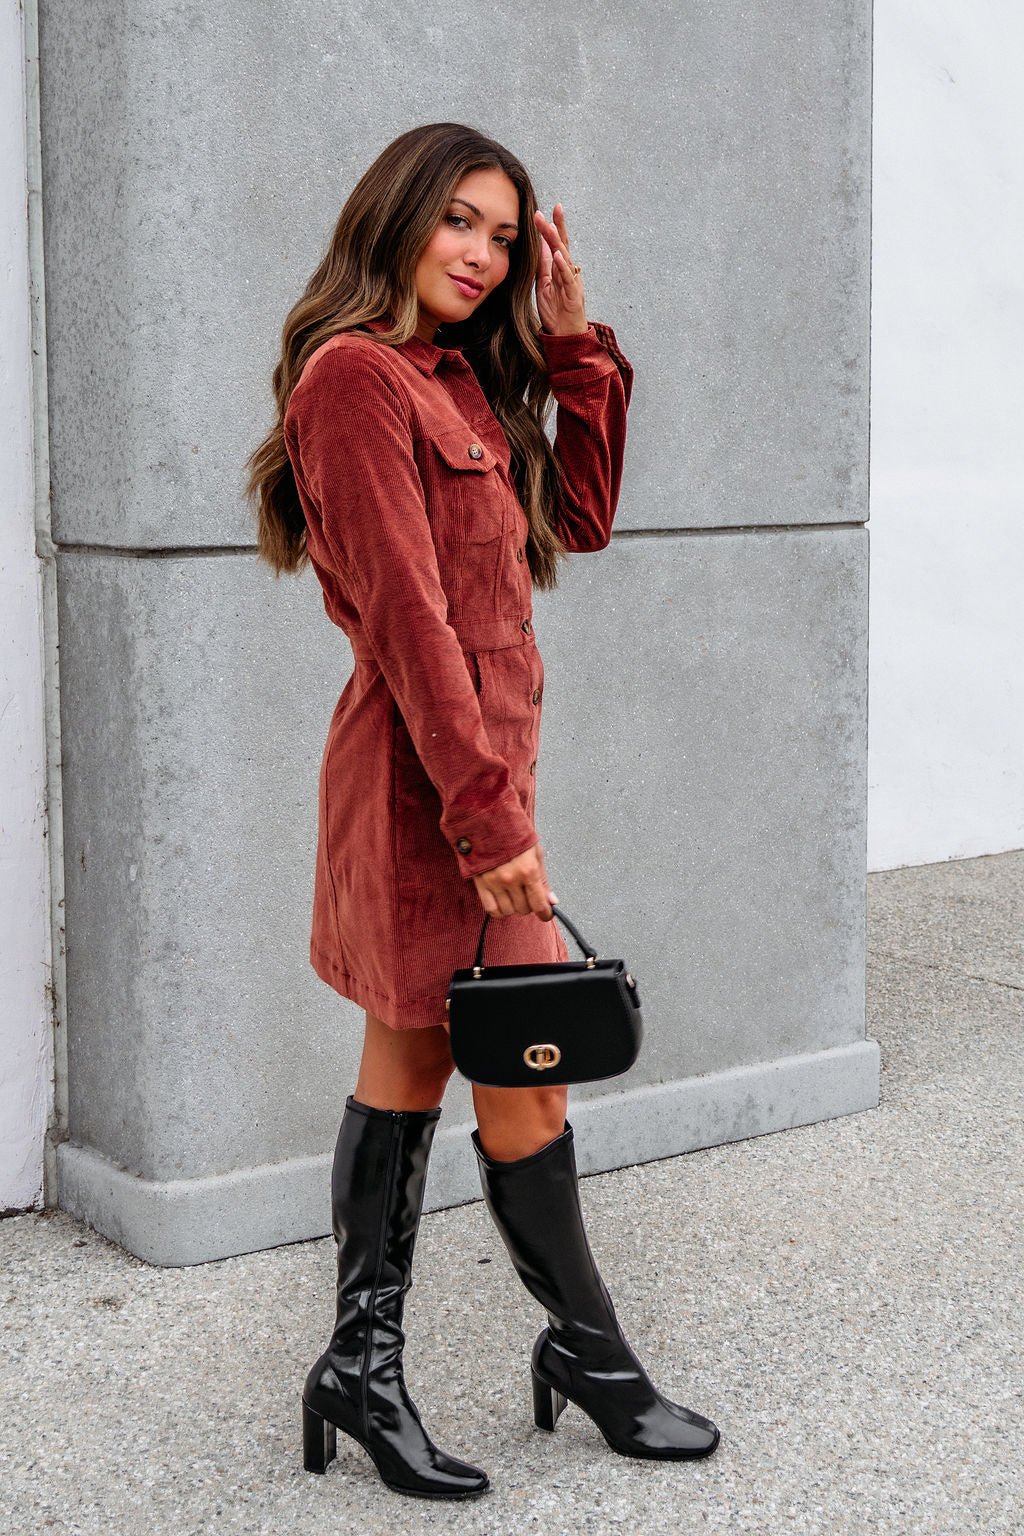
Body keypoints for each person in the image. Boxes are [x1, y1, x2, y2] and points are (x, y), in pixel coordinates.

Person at [244, 121, 719, 1502]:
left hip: (475, 785)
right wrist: (489, 822)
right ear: (394, 218)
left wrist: (574, 352)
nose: (481, 253)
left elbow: (578, 514)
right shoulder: (351, 381)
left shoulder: (454, 384)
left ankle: (435, 1361)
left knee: (466, 1071)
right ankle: (537, 1364)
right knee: (480, 1078)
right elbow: (411, 629)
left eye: (501, 236)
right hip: (426, 792)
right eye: (459, 220)